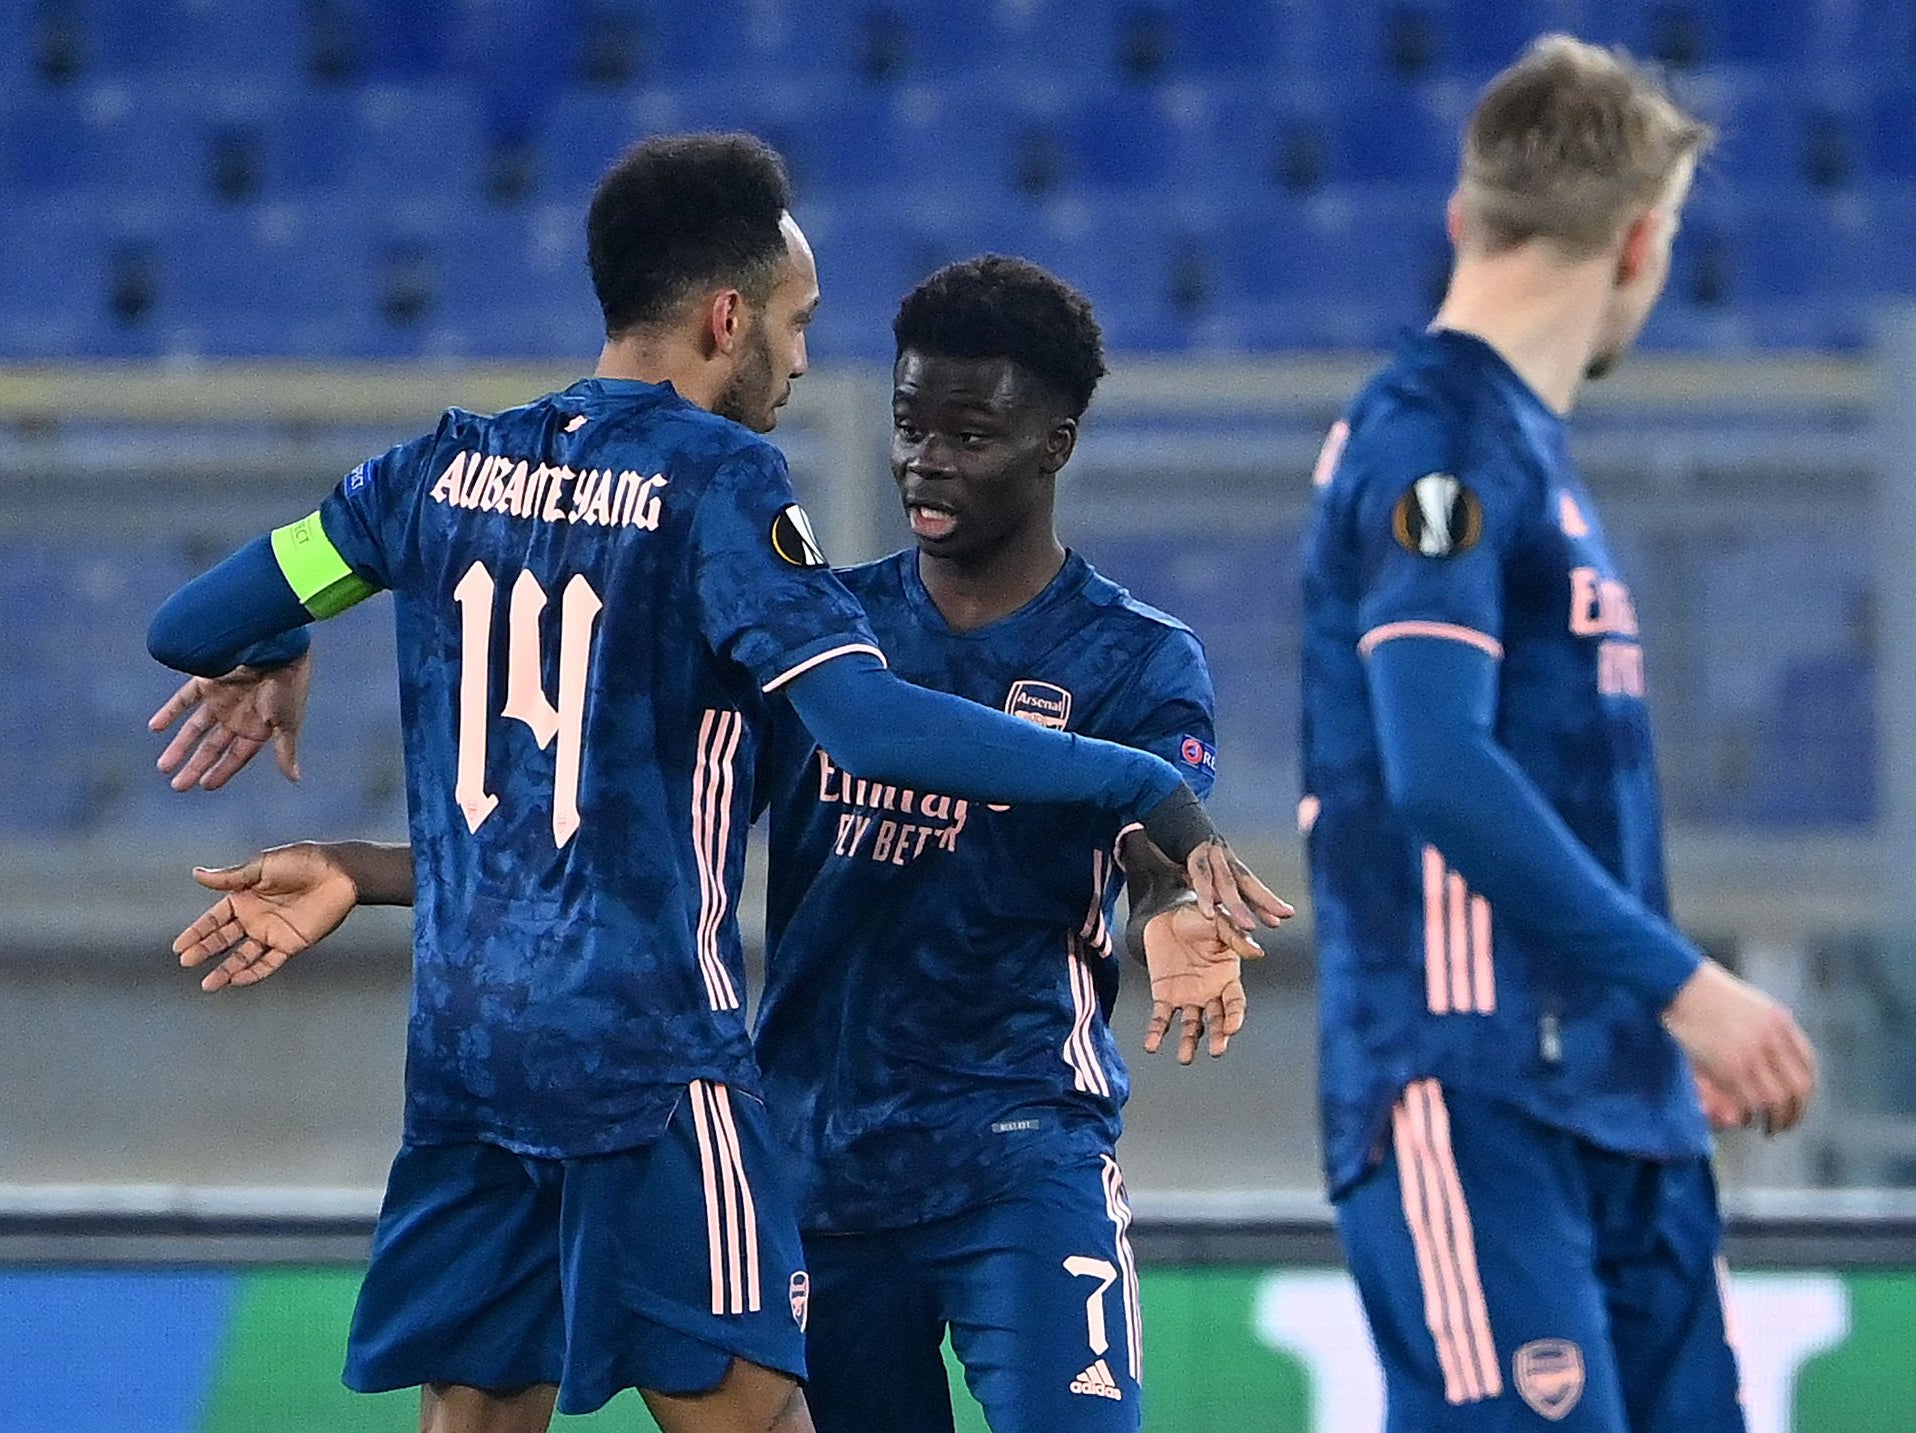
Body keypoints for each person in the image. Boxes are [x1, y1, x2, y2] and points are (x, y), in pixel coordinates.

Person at [143, 136, 1284, 1433]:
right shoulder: (721, 486)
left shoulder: (432, 468)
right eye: (795, 326)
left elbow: (192, 623)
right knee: (749, 1411)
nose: (802, 362)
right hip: (646, 1058)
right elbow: (859, 721)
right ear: (726, 317)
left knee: (473, 1414)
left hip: (467, 1052)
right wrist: (1137, 782)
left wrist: (286, 649)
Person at [1300, 36, 1818, 1432]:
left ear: (1463, 218)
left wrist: (1640, 1024)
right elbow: (1439, 762)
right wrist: (1687, 988)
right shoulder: (1435, 438)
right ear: (1642, 242)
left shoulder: (1523, 451)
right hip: (1472, 1089)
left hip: (1609, 1097)